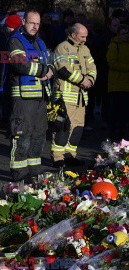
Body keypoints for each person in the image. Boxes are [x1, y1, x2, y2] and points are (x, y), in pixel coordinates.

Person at [7, 9, 54, 182]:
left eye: (37, 23)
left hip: (40, 97)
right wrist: (44, 70)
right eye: (31, 23)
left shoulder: (40, 42)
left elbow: (51, 62)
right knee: (22, 135)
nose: (35, 26)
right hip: (23, 99)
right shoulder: (15, 41)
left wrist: (50, 70)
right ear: (23, 22)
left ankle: (34, 170)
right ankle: (19, 173)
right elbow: (20, 65)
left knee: (39, 135)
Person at [52, 23, 96, 168]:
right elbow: (64, 69)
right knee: (63, 128)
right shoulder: (62, 48)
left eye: (86, 37)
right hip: (65, 96)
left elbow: (92, 67)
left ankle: (70, 156)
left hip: (81, 97)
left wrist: (90, 80)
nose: (84, 39)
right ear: (73, 35)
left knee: (77, 128)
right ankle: (58, 158)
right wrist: (83, 80)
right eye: (82, 37)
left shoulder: (85, 49)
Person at [107, 24, 129, 141]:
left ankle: (123, 136)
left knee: (125, 114)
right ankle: (115, 136)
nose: (126, 36)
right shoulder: (114, 45)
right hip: (117, 85)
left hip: (126, 84)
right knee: (116, 113)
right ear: (118, 34)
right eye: (124, 33)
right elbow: (112, 62)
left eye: (127, 33)